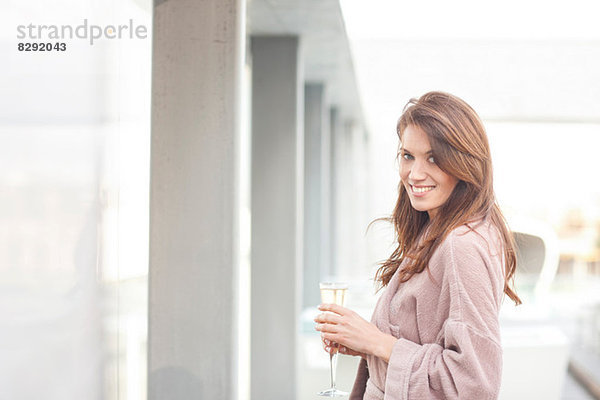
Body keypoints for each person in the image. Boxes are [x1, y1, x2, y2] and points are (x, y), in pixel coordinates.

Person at [314, 91, 521, 399]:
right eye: (408, 155)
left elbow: (475, 383)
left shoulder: (460, 244)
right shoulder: (436, 231)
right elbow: (422, 342)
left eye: (434, 158)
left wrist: (377, 342)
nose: (415, 173)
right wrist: (364, 345)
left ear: (464, 163)